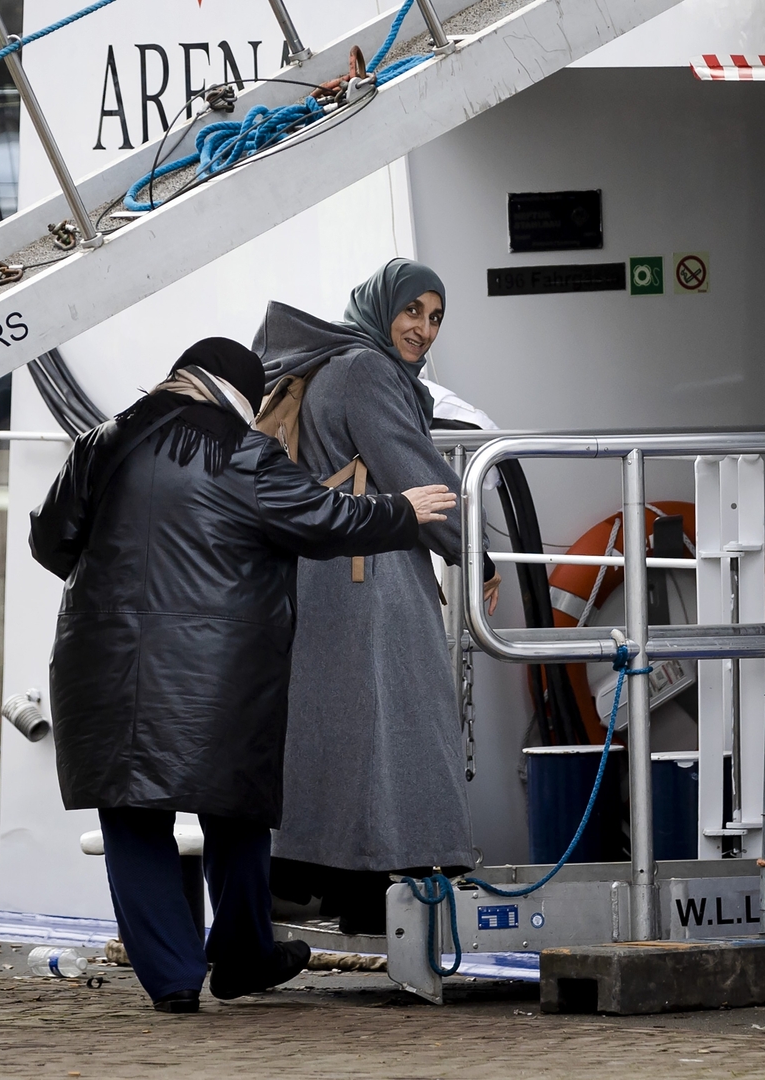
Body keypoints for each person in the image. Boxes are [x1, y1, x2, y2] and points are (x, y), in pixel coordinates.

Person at [29, 337, 456, 1011]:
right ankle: (242, 953)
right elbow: (324, 518)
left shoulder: (98, 443)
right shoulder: (244, 455)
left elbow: (49, 540)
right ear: (239, 393)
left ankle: (172, 980)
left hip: (99, 664)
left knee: (132, 816)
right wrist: (403, 511)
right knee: (234, 806)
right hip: (217, 669)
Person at [254, 259, 500, 934]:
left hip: (323, 569)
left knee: (347, 737)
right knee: (399, 728)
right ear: (380, 307)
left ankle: (343, 887)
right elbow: (413, 473)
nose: (423, 329)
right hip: (368, 576)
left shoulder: (330, 363)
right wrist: (477, 556)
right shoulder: (366, 370)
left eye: (435, 316)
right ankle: (393, 880)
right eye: (412, 311)